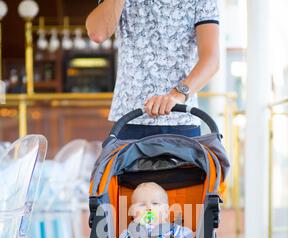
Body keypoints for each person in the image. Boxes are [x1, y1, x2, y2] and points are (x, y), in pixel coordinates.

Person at [86, 0, 220, 139]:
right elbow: (97, 33)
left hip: (181, 119)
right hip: (129, 119)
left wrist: (177, 95)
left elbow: (211, 60)